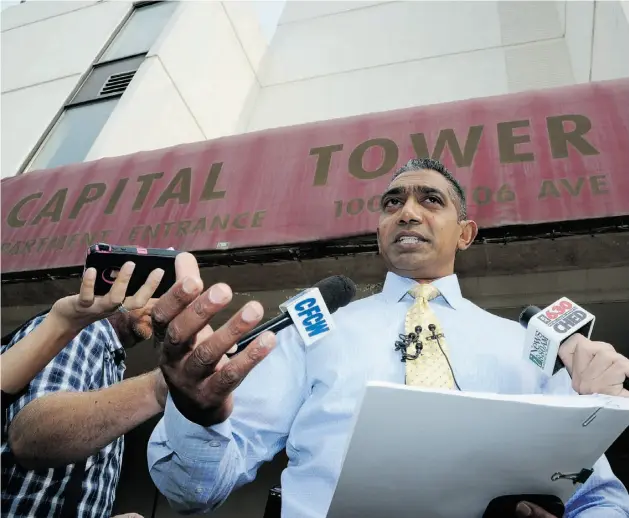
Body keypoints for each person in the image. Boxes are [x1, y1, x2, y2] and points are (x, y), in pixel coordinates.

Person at [147, 158, 629, 518]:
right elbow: (193, 491)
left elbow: (601, 498)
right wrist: (196, 415)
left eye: (430, 200)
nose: (408, 213)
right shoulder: (315, 333)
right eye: (393, 203)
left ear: (465, 233)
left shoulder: (526, 346)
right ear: (379, 229)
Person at [1, 261, 167, 518]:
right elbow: (30, 439)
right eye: (153, 292)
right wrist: (160, 386)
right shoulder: (85, 333)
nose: (159, 307)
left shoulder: (111, 360)